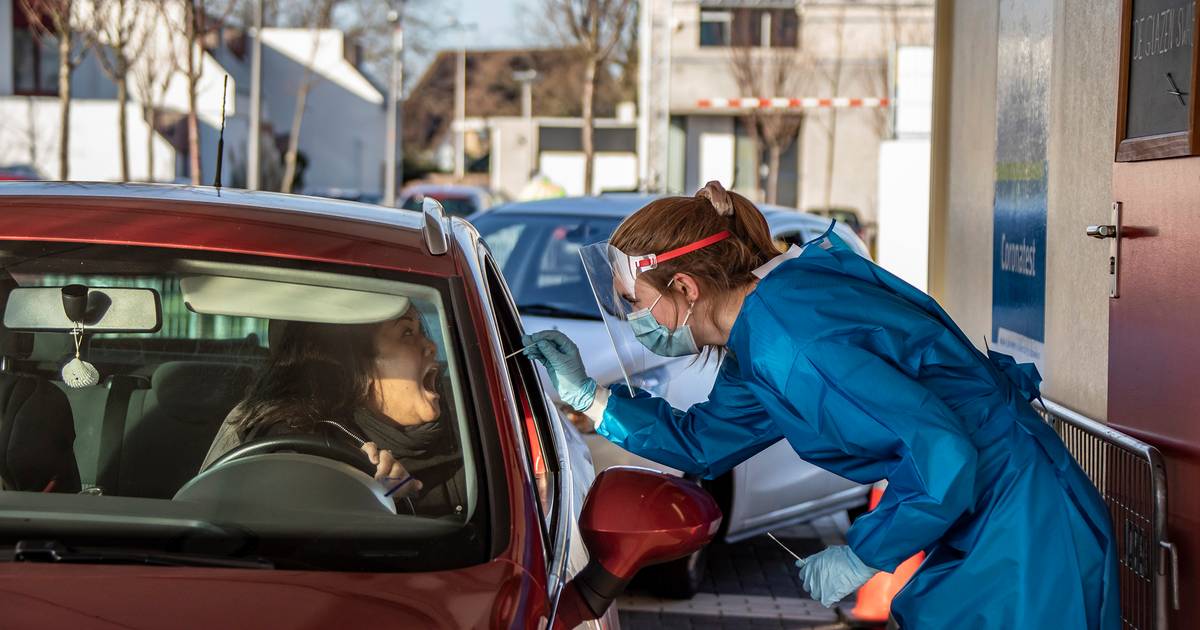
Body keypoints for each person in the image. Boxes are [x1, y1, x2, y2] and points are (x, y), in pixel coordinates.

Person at [523, 182, 1119, 629]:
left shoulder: (793, 344)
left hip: (1024, 527)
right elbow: (705, 442)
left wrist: (862, 556)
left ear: (685, 287)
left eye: (633, 302)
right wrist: (592, 398)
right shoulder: (762, 330)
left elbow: (943, 454)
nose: (631, 320)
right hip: (986, 518)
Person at [200, 307, 466, 516]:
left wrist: (405, 501)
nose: (432, 345)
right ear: (360, 370)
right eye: (407, 332)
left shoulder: (474, 436)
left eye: (420, 331)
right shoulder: (274, 434)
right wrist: (362, 497)